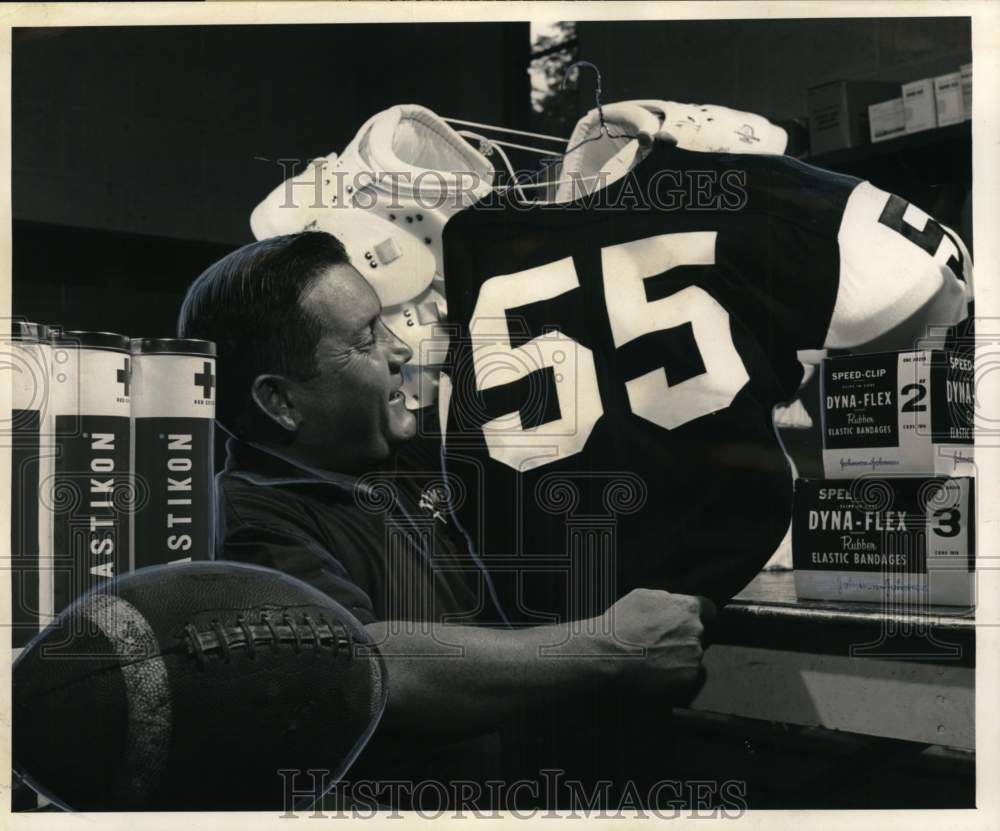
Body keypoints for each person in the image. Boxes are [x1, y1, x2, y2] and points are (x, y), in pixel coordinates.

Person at [177, 230, 714, 809]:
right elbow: (361, 664)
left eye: (383, 324)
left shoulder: (401, 453)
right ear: (281, 401)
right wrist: (609, 648)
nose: (398, 351)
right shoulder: (251, 522)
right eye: (364, 340)